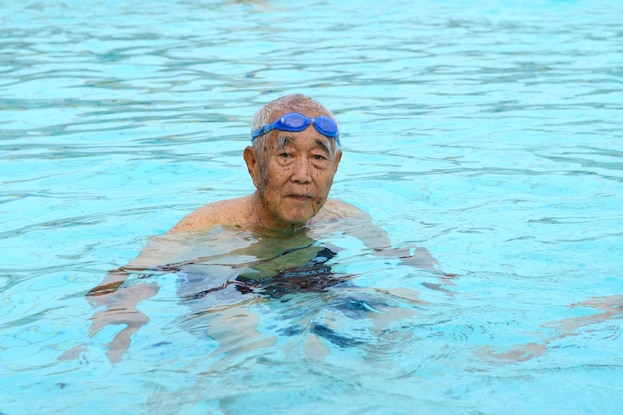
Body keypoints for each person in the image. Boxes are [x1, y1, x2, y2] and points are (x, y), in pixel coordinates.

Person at [85, 94, 439, 363]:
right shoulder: (207, 226)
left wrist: (426, 267)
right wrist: (124, 307)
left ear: (336, 165)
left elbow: (397, 256)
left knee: (401, 316)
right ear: (253, 164)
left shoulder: (344, 217)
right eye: (285, 155)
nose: (303, 174)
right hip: (224, 285)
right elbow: (121, 278)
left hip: (308, 278)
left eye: (318, 158)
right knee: (245, 336)